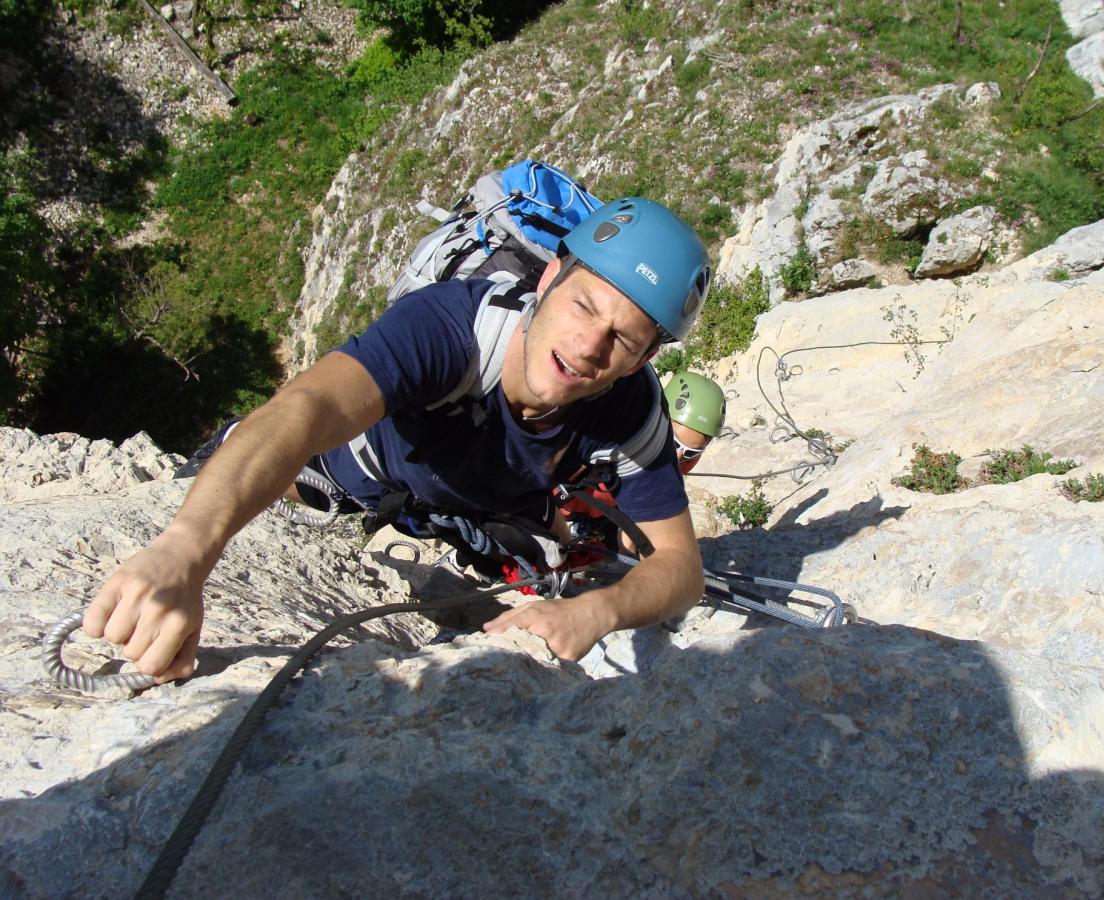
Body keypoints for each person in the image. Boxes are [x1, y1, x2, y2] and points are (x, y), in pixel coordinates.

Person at [83, 197, 712, 680]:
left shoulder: (629, 408)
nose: (587, 347)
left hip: (458, 509)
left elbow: (681, 567)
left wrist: (595, 612)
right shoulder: (451, 328)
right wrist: (185, 550)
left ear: (643, 357)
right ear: (549, 280)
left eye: (623, 339)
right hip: (341, 475)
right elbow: (305, 406)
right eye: (583, 306)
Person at [557, 370, 726, 552]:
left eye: (691, 451)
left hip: (602, 515)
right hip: (558, 504)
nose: (678, 457)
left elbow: (649, 509)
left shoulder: (683, 458)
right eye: (674, 442)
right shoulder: (616, 433)